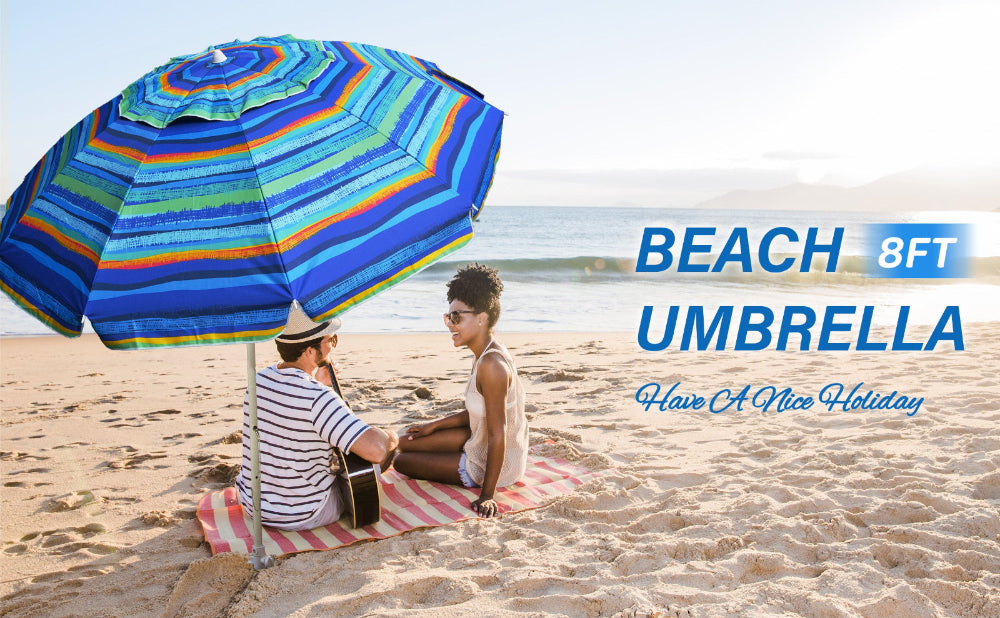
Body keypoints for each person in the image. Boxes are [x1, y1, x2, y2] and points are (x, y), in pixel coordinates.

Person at [235, 305, 398, 530]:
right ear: (310, 352)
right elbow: (377, 450)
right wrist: (391, 437)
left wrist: (318, 382)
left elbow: (291, 413)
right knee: (378, 458)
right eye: (331, 340)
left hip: (254, 504)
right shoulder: (318, 398)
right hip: (302, 512)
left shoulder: (259, 379)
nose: (332, 347)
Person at [394, 264, 528, 518]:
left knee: (401, 462)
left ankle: (474, 474)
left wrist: (487, 495)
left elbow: (498, 434)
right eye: (448, 317)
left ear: (481, 318)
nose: (449, 324)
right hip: (477, 437)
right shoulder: (485, 352)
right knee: (404, 442)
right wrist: (435, 425)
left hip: (495, 460)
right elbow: (482, 412)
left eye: (457, 317)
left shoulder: (492, 365)